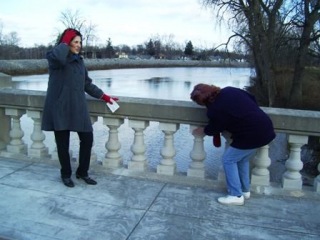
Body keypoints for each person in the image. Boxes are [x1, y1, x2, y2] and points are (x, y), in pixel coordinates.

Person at [41, 28, 119, 188]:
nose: (78, 45)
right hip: (60, 107)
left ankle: (82, 172)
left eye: (80, 42)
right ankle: (66, 174)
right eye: (75, 42)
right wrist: (64, 41)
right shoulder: (54, 58)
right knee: (63, 144)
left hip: (78, 107)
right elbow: (59, 57)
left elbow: (86, 84)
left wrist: (104, 96)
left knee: (87, 138)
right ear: (66, 42)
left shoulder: (79, 61)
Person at [190, 83, 275, 206]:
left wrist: (203, 130)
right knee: (242, 160)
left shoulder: (215, 109)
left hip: (250, 134)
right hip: (265, 127)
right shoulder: (230, 90)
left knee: (228, 160)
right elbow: (252, 98)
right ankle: (245, 191)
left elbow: (214, 128)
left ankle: (236, 195)